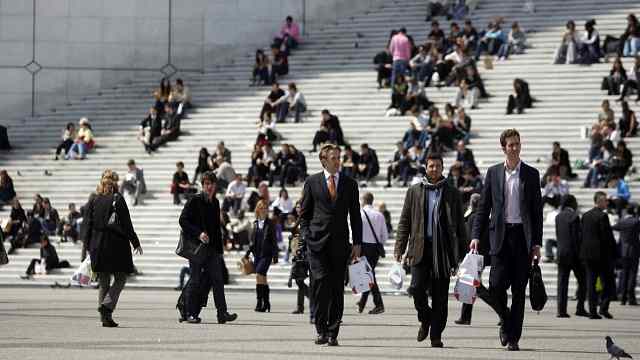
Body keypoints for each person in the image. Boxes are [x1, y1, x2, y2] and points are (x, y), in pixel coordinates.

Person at [470, 128, 543, 351]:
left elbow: (536, 212)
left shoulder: (531, 174)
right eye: (511, 145)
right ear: (503, 148)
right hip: (499, 238)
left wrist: (536, 243)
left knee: (520, 290)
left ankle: (513, 337)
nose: (514, 148)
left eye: (517, 144)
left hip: (522, 238)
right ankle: (506, 318)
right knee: (496, 285)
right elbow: (484, 208)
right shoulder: (493, 173)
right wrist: (475, 236)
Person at [395, 152, 466, 348]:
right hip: (420, 248)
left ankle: (436, 335)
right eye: (431, 166)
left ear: (443, 168)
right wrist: (400, 247)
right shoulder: (414, 191)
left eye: (437, 166)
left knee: (441, 297)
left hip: (443, 251)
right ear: (426, 167)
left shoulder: (452, 193)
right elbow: (405, 221)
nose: (434, 169)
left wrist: (463, 254)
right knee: (416, 289)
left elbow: (460, 225)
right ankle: (425, 318)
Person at [299, 143, 363, 347]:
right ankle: (320, 330)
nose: (338, 161)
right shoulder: (312, 182)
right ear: (324, 160)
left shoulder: (350, 184)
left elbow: (355, 216)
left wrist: (358, 242)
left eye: (339, 157)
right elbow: (304, 214)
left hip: (340, 244)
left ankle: (333, 332)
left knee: (336, 288)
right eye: (334, 157)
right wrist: (306, 236)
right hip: (316, 245)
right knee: (320, 286)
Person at [82, 169, 143, 327]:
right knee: (121, 278)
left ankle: (105, 318)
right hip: (115, 246)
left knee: (103, 282)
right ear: (114, 183)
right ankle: (106, 306)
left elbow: (86, 226)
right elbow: (127, 224)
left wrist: (86, 249)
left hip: (97, 246)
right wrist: (135, 242)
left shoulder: (94, 200)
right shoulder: (117, 199)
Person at [179, 171, 237, 324]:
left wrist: (220, 250)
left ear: (215, 185)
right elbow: (183, 220)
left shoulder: (216, 202)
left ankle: (222, 313)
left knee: (218, 280)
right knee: (195, 279)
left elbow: (216, 229)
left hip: (212, 250)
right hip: (197, 249)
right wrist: (198, 234)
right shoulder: (194, 200)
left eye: (211, 184)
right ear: (202, 185)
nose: (209, 187)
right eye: (206, 184)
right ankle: (190, 313)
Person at [454, 193, 502, 325]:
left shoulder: (473, 218)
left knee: (476, 286)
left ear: (471, 204)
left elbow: (468, 239)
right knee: (471, 285)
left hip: (474, 257)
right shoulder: (486, 218)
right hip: (484, 256)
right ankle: (465, 316)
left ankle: (502, 311)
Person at [580, 191, 617, 319]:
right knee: (608, 283)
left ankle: (592, 311)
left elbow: (582, 235)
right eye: (605, 201)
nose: (607, 203)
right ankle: (603, 308)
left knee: (591, 284)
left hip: (587, 255)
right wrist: (614, 253)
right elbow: (607, 237)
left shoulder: (585, 215)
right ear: (599, 202)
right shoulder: (602, 216)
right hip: (601, 256)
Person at [554, 195, 588, 318]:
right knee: (583, 281)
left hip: (561, 253)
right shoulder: (574, 217)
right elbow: (577, 238)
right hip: (574, 254)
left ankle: (561, 310)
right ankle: (580, 308)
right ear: (572, 203)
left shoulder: (558, 217)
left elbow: (558, 235)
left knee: (562, 283)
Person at [244, 200, 279, 312]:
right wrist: (247, 253)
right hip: (257, 254)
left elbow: (274, 241)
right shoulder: (255, 223)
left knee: (259, 273)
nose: (263, 210)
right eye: (261, 207)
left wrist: (275, 256)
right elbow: (252, 242)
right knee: (261, 278)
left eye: (265, 208)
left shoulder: (271, 223)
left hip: (266, 254)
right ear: (257, 209)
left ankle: (260, 302)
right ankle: (266, 302)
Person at [357, 192, 389, 315]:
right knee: (369, 275)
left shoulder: (359, 214)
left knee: (369, 275)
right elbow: (384, 236)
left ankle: (378, 304)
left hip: (363, 246)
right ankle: (362, 302)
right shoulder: (379, 215)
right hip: (375, 248)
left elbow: (353, 232)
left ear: (363, 201)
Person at [612, 206, 640, 306]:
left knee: (624, 274)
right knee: (632, 274)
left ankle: (623, 298)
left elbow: (613, 227)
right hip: (634, 252)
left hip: (623, 252)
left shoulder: (622, 221)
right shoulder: (636, 221)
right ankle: (631, 297)